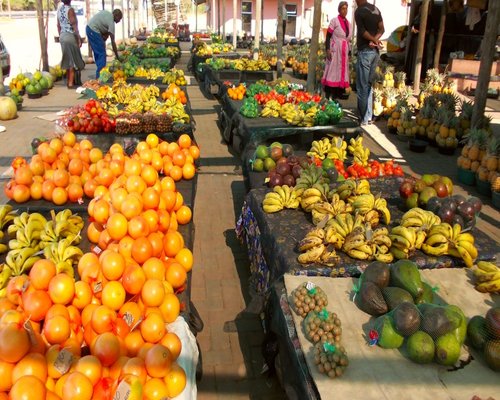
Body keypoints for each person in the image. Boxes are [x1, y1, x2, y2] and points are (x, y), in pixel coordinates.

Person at [354, 0, 384, 125]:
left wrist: (372, 40)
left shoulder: (359, 11)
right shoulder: (376, 9)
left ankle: (363, 118)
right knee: (369, 85)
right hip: (375, 53)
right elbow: (382, 29)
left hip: (365, 52)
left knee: (362, 86)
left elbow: (362, 32)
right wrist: (376, 40)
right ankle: (369, 116)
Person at [321, 1, 352, 100]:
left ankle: (336, 95)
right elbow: (328, 35)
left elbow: (348, 40)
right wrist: (328, 49)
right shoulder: (334, 21)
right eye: (343, 8)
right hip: (335, 50)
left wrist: (349, 52)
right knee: (333, 71)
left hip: (344, 51)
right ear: (339, 10)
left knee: (341, 72)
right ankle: (328, 94)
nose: (345, 10)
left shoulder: (349, 24)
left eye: (346, 8)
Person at [86, 9, 123, 79]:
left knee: (98, 53)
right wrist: (117, 57)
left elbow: (103, 28)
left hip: (89, 28)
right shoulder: (111, 22)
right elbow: (113, 42)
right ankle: (99, 78)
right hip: (93, 30)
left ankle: (99, 74)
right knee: (102, 54)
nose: (119, 21)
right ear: (116, 16)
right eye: (119, 18)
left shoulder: (107, 13)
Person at [57, 0, 85, 88]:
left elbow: (58, 25)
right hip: (70, 36)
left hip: (62, 36)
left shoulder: (59, 10)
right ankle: (71, 82)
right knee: (73, 59)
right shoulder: (70, 10)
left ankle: (70, 80)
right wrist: (78, 37)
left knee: (67, 58)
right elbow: (74, 25)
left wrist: (61, 35)